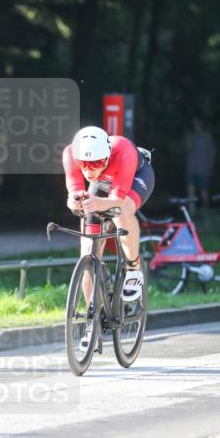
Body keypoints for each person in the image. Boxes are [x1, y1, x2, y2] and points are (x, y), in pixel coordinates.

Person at [63, 126, 155, 309]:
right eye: (83, 164)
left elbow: (117, 201)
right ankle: (93, 313)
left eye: (95, 163)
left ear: (107, 155)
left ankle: (133, 267)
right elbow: (74, 191)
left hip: (136, 177)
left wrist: (96, 203)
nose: (88, 171)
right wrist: (74, 201)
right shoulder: (70, 153)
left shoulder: (123, 151)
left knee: (122, 212)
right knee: (88, 251)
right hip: (102, 183)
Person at [185, 118, 215, 210]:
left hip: (203, 169)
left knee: (204, 192)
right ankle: (192, 214)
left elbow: (212, 153)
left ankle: (206, 211)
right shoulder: (190, 137)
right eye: (194, 124)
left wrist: (211, 167)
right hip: (192, 168)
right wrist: (188, 141)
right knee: (191, 191)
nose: (196, 125)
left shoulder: (207, 137)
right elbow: (187, 148)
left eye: (198, 123)